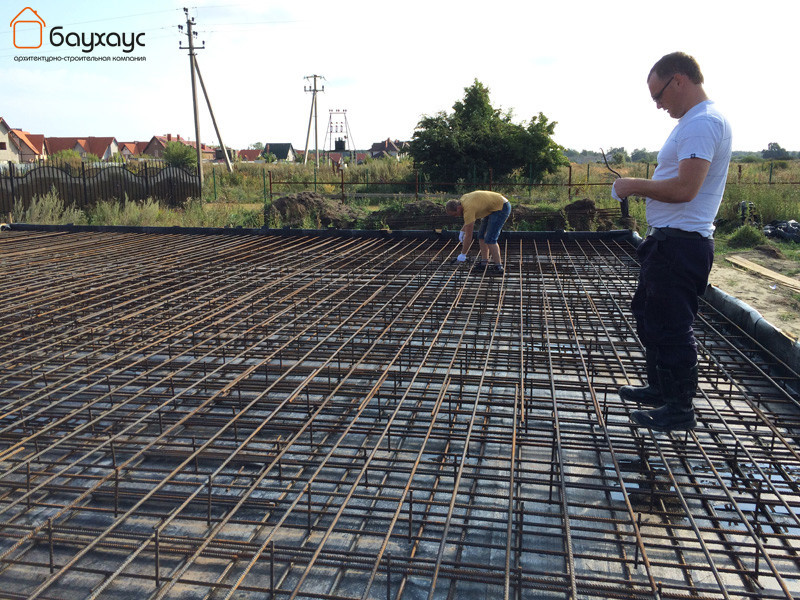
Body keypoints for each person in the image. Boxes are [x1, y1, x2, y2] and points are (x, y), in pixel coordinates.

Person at [613, 51, 732, 432]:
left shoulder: (702, 123)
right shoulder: (694, 122)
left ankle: (679, 410)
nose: (658, 104)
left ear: (679, 79)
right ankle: (661, 389)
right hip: (668, 242)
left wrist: (632, 185)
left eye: (659, 95)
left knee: (671, 326)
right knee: (650, 318)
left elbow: (685, 188)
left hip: (681, 245)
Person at [445, 190, 511, 276]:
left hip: (501, 207)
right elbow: (468, 221)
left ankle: (499, 267)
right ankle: (484, 264)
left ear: (458, 208)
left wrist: (463, 254)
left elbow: (469, 236)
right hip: (492, 207)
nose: (456, 216)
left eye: (455, 214)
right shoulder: (463, 201)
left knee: (490, 238)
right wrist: (462, 230)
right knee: (481, 236)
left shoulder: (468, 208)